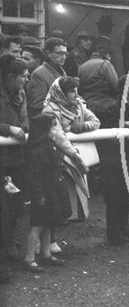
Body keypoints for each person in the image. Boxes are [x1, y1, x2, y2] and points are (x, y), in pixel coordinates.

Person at [22, 113, 87, 272]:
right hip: (42, 192)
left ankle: (45, 253)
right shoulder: (38, 150)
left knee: (47, 223)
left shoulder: (48, 145)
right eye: (52, 126)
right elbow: (34, 176)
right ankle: (29, 257)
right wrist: (38, 196)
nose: (54, 130)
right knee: (37, 225)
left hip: (49, 191)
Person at [42, 77, 100, 222]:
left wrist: (81, 127)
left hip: (77, 151)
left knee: (79, 180)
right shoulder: (49, 109)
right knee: (64, 185)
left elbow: (95, 121)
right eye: (72, 91)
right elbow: (57, 134)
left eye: (76, 91)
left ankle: (79, 214)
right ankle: (64, 216)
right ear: (61, 92)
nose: (76, 94)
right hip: (59, 153)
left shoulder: (78, 104)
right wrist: (68, 132)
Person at [96, 75, 129, 245]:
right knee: (115, 194)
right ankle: (113, 232)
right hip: (115, 158)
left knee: (128, 191)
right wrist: (123, 125)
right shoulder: (112, 107)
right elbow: (105, 131)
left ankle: (124, 226)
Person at [0, 56, 29, 264]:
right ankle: (6, 244)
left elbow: (25, 118)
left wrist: (24, 127)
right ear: (11, 76)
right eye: (23, 77)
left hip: (17, 157)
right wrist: (9, 129)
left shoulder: (21, 93)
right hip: (3, 157)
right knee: (4, 206)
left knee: (16, 204)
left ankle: (9, 240)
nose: (26, 80)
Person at [77, 35, 119, 121]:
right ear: (108, 55)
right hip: (106, 107)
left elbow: (80, 89)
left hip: (88, 108)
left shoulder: (82, 67)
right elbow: (116, 86)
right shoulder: (106, 64)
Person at [26, 37, 68, 119]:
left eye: (65, 53)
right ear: (48, 53)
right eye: (59, 53)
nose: (64, 57)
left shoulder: (62, 72)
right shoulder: (39, 74)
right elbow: (37, 105)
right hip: (47, 122)